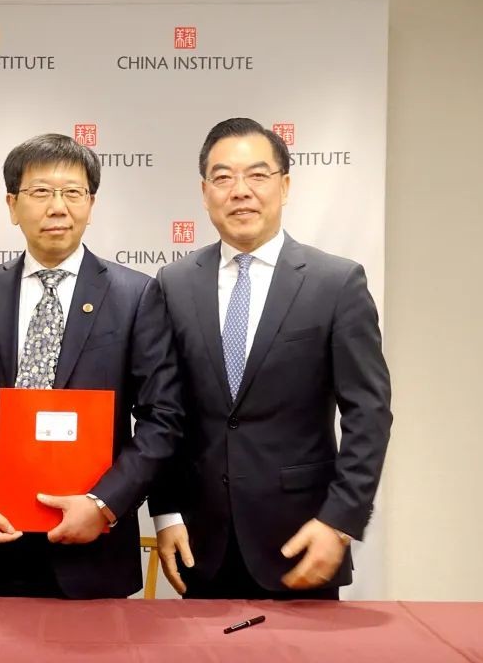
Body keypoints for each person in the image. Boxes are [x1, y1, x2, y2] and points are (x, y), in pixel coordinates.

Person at [0, 133, 184, 599]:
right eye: (41, 192)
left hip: (96, 550)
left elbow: (162, 418)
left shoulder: (136, 296)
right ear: (12, 205)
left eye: (73, 192)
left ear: (91, 204)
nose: (57, 207)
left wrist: (104, 504)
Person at [150, 117, 392, 600]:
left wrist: (339, 520)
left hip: (302, 540)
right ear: (205, 193)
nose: (240, 191)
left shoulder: (336, 283)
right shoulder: (174, 283)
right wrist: (167, 513)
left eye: (257, 175)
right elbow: (163, 411)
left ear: (285, 186)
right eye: (223, 177)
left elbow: (368, 413)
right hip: (202, 543)